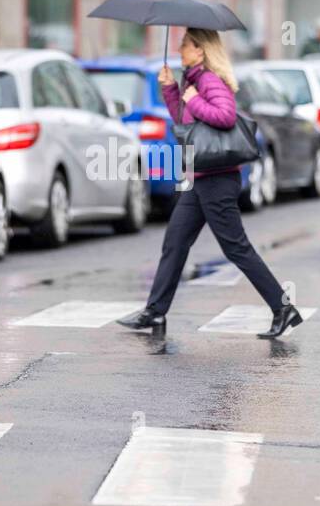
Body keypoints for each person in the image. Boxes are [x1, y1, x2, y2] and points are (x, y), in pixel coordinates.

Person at [117, 28, 303, 339]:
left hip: (216, 180)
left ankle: (282, 308)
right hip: (200, 178)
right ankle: (156, 311)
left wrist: (193, 97)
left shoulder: (209, 80)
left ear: (200, 50)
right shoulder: (192, 81)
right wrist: (171, 90)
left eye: (185, 45)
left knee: (236, 248)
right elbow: (185, 121)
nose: (179, 50)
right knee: (175, 243)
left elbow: (225, 116)